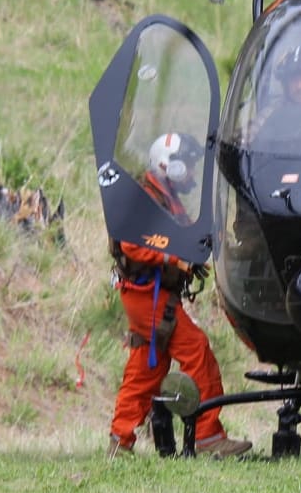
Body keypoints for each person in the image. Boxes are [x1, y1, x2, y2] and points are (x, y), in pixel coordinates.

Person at [107, 133, 251, 459]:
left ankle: (120, 440)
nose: (191, 172)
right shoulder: (145, 200)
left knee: (147, 368)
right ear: (167, 165)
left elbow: (180, 236)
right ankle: (207, 436)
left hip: (151, 296)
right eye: (187, 166)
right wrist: (175, 258)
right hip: (149, 296)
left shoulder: (164, 199)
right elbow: (133, 245)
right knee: (196, 351)